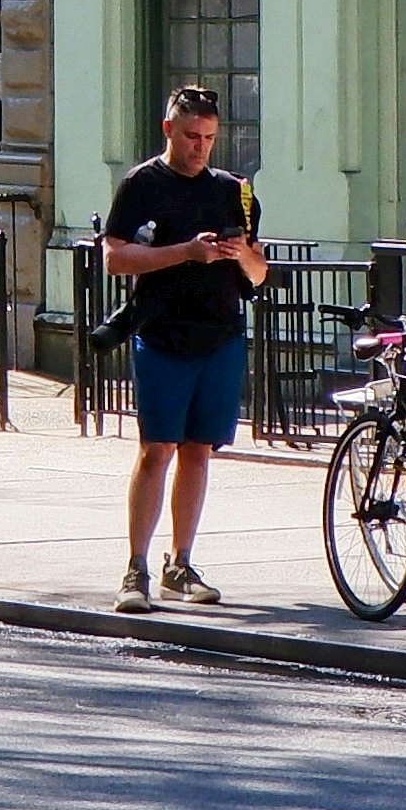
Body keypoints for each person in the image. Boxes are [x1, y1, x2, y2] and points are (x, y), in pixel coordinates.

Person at [99, 84, 268, 611]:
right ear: (169, 129)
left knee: (198, 451)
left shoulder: (233, 191)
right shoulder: (141, 184)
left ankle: (181, 562)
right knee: (157, 450)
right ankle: (136, 569)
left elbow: (259, 275)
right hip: (162, 334)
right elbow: (116, 258)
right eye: (192, 136)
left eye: (210, 138)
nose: (201, 147)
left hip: (219, 334)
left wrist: (241, 255)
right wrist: (187, 253)